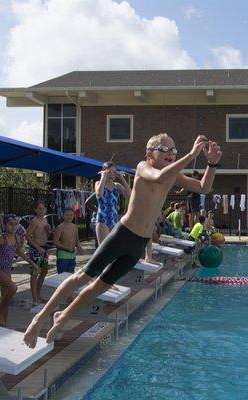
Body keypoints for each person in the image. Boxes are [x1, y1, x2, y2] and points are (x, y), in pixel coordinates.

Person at [23, 134, 222, 348]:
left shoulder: (173, 174)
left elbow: (203, 188)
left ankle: (62, 317)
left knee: (101, 286)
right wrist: (191, 155)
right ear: (149, 153)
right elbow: (159, 177)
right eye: (165, 149)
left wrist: (211, 164)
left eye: (174, 150)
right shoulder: (143, 166)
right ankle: (40, 317)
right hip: (123, 234)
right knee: (83, 276)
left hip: (138, 244)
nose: (171, 154)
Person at [0, 214, 38, 326]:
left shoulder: (16, 238)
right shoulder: (1, 239)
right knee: (13, 288)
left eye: (16, 224)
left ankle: (3, 323)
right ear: (5, 225)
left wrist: (32, 263)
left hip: (7, 270)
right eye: (11, 224)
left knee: (6, 299)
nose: (14, 226)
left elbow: (19, 252)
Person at [94, 162, 131, 245]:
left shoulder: (116, 185)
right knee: (103, 248)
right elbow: (99, 194)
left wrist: (122, 178)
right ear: (104, 172)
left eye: (114, 172)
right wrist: (103, 177)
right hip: (103, 219)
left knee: (112, 248)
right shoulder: (98, 184)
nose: (112, 175)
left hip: (114, 219)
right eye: (109, 172)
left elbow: (130, 195)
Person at [26, 201, 52, 306]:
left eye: (43, 208)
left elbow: (47, 235)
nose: (41, 210)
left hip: (44, 248)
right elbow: (27, 236)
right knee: (35, 273)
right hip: (35, 249)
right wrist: (37, 247)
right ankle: (35, 298)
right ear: (35, 210)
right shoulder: (34, 221)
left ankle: (38, 294)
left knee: (44, 272)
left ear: (45, 210)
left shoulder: (45, 220)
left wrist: (49, 230)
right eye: (39, 208)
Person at [53, 208, 83, 274]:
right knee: (62, 276)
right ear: (63, 215)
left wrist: (79, 247)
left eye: (71, 215)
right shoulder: (60, 227)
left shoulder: (75, 227)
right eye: (67, 215)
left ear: (74, 215)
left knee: (70, 275)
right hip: (62, 256)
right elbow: (55, 241)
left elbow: (77, 240)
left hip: (72, 255)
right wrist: (66, 248)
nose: (69, 217)